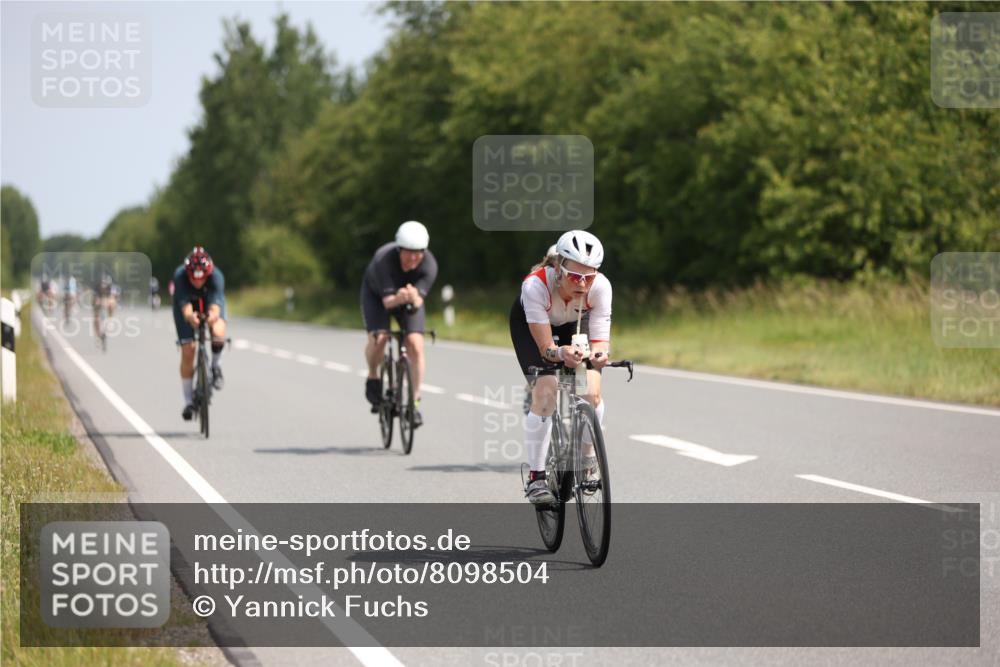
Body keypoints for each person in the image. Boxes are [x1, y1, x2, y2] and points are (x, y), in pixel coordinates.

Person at [509, 230, 612, 504]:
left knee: (592, 392)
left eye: (588, 277)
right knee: (547, 390)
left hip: (575, 324)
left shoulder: (600, 287)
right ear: (558, 267)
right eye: (575, 276)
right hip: (534, 326)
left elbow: (600, 339)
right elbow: (546, 350)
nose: (582, 284)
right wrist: (560, 353)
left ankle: (587, 458)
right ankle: (537, 477)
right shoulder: (536, 286)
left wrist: (599, 355)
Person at [361, 221, 438, 427]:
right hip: (377, 297)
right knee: (380, 337)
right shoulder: (383, 260)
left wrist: (412, 297)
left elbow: (419, 300)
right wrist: (401, 296)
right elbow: (387, 303)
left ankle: (414, 402)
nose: (414, 257)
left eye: (418, 252)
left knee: (415, 343)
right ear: (399, 249)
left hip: (406, 299)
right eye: (409, 252)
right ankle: (373, 376)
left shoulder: (429, 264)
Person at [172, 247, 227, 421]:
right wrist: (190, 317)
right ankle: (188, 401)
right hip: (187, 307)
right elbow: (186, 309)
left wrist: (210, 318)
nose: (197, 282)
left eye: (202, 277)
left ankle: (215, 366)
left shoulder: (216, 277)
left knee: (218, 331)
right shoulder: (180, 277)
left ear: (208, 273)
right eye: (193, 278)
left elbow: (216, 309)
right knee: (188, 350)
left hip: (208, 302)